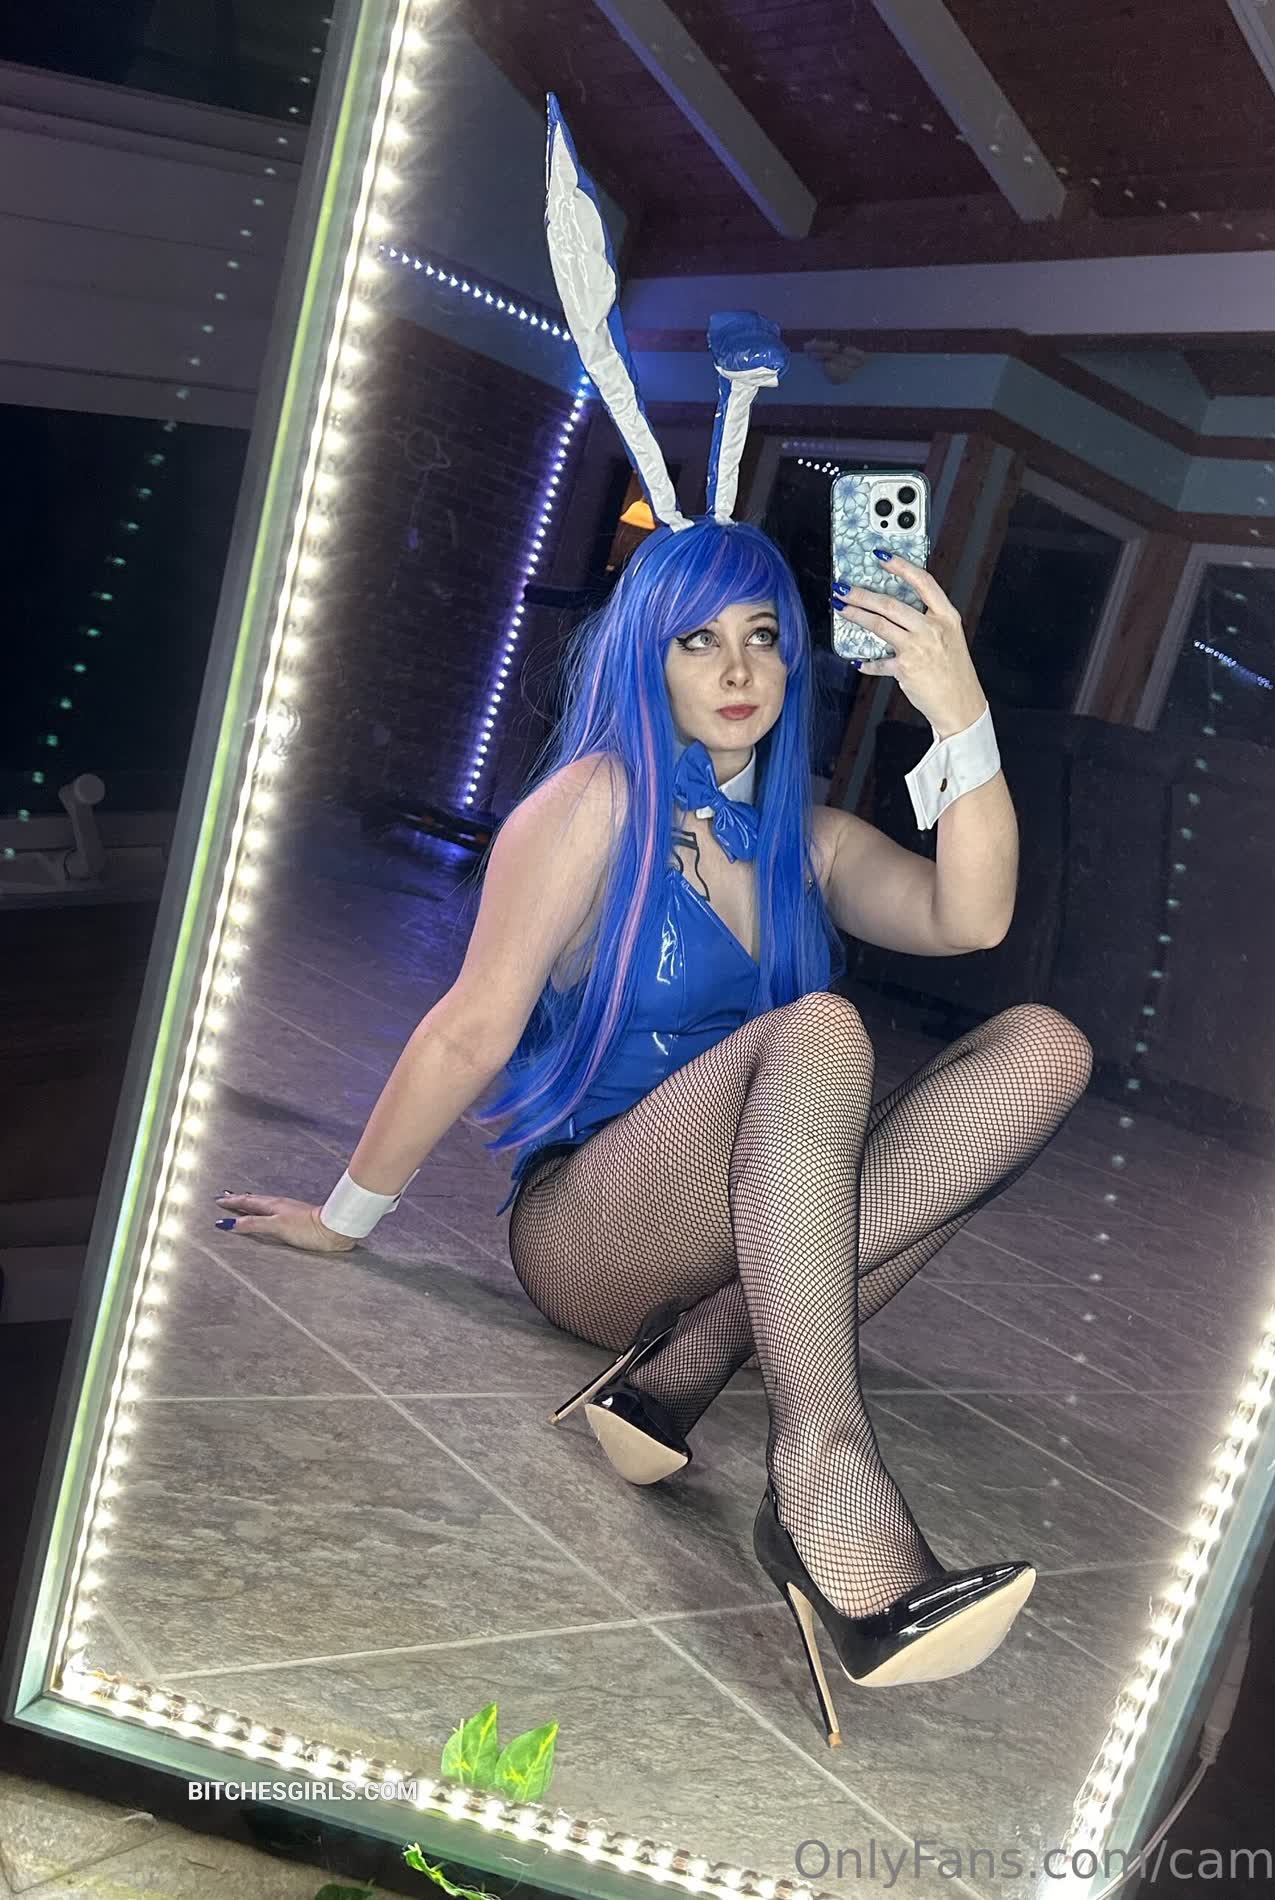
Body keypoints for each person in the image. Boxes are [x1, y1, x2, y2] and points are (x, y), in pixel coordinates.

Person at [212, 98, 1095, 1746]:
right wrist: (347, 1217)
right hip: (589, 1236)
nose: (740, 669)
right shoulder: (594, 804)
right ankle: (822, 1481)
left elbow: (974, 920)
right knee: (820, 1032)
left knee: (1043, 1044)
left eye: (764, 635)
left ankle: (687, 1373)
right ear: (649, 657)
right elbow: (472, 1024)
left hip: (739, 1259)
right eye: (700, 641)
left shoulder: (809, 835)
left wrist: (959, 708)